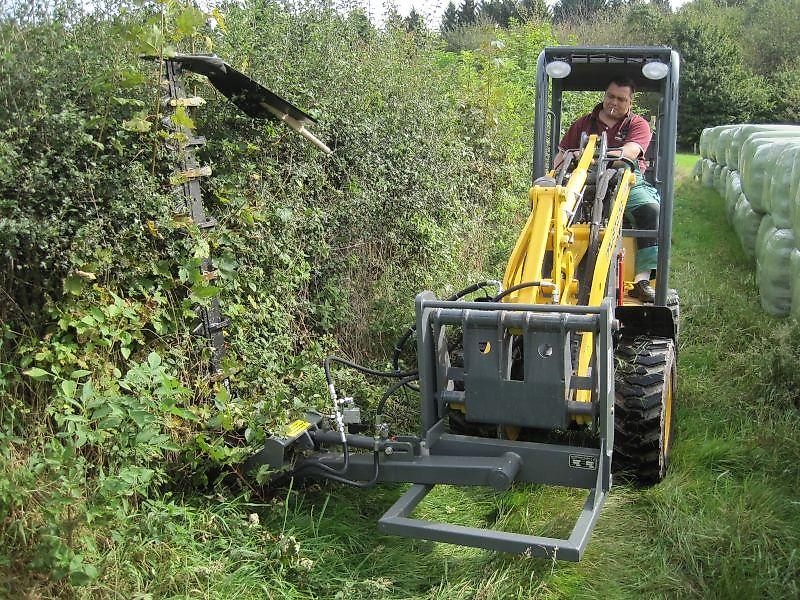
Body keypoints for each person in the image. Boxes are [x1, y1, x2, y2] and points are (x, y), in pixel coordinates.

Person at [553, 77, 660, 303]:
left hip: (626, 181)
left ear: (630, 102)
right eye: (611, 96)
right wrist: (553, 176)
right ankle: (553, 275)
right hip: (582, 180)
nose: (614, 102)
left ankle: (641, 281)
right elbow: (561, 156)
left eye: (621, 99)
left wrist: (592, 155)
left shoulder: (638, 125)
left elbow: (630, 152)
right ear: (604, 96)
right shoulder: (583, 124)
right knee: (552, 210)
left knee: (650, 210)